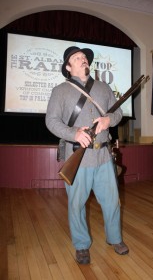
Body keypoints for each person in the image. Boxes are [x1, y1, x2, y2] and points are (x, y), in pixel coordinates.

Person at [45, 46, 129, 265]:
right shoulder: (60, 90)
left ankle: (115, 239)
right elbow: (51, 121)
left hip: (103, 156)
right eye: (77, 57)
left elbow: (117, 112)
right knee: (76, 205)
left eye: (84, 57)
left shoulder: (103, 87)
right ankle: (82, 245)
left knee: (112, 202)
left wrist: (108, 120)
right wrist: (74, 133)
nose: (83, 59)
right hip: (77, 157)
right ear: (68, 66)